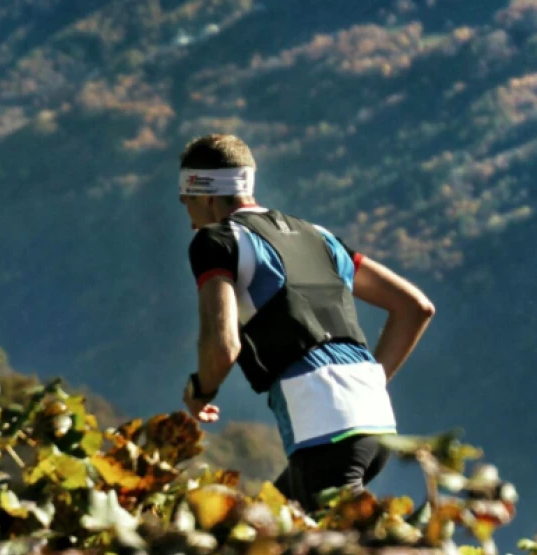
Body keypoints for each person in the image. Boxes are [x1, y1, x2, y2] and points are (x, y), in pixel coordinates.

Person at [179, 134, 435, 511]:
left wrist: (200, 391)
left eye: (187, 203)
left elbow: (223, 346)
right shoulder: (320, 237)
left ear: (204, 194)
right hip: (376, 422)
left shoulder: (216, 242)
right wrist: (370, 383)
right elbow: (415, 308)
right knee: (261, 535)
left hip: (324, 430)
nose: (188, 218)